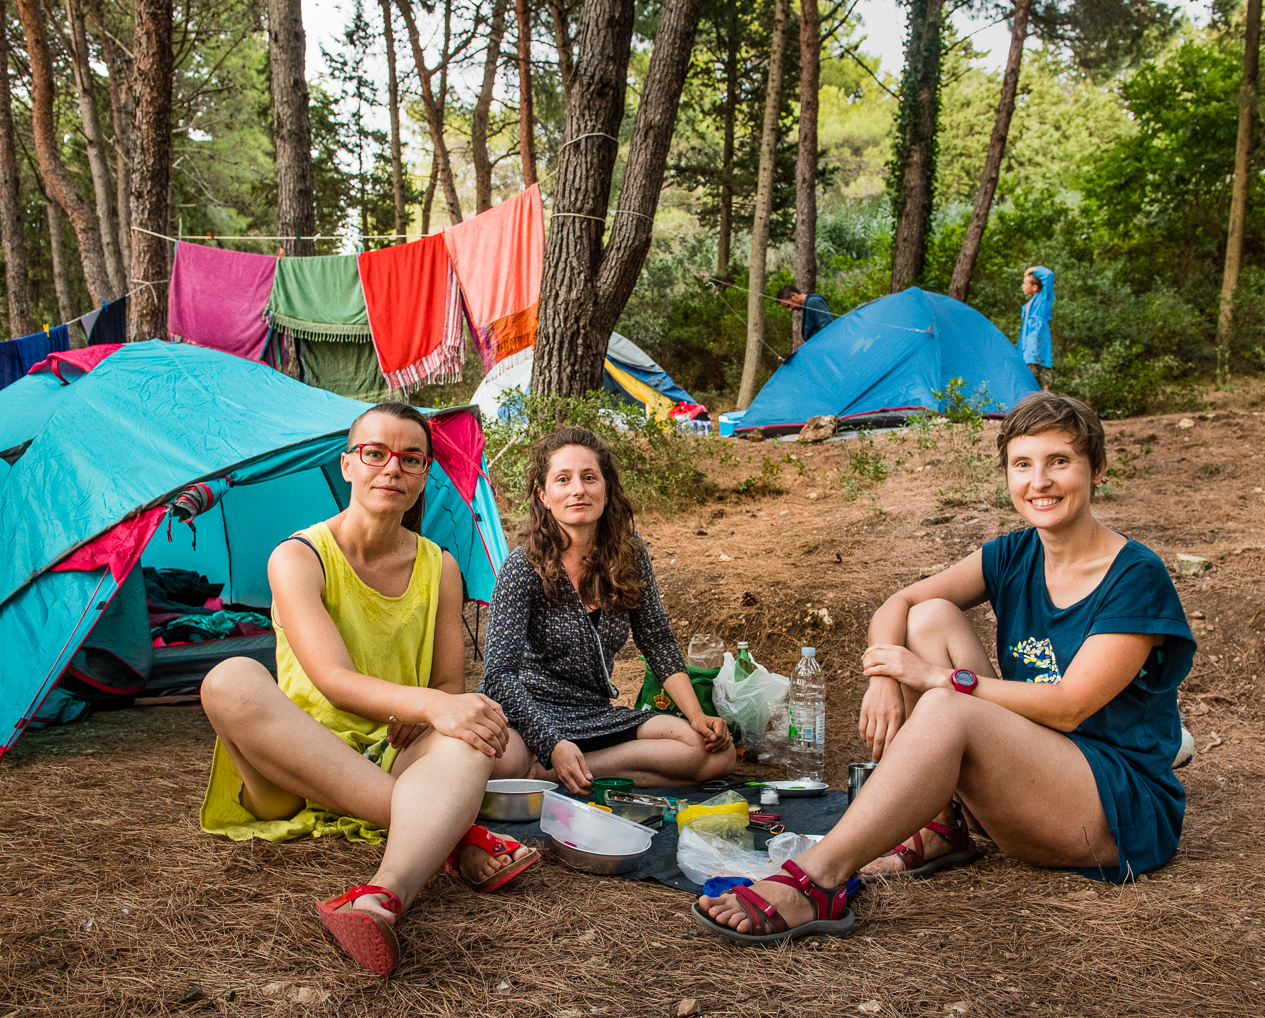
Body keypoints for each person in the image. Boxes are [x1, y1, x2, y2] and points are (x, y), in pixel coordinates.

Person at [693, 393, 1194, 945]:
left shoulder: (1135, 575)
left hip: (1116, 808)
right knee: (930, 616)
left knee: (948, 705)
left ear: (1096, 469)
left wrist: (941, 681)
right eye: (1023, 464)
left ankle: (818, 879)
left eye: (1060, 461)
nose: (1040, 482)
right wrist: (885, 675)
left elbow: (1071, 707)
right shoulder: (1013, 554)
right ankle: (943, 826)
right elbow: (900, 602)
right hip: (1035, 767)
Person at [199, 402, 539, 977]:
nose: (392, 469)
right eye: (375, 453)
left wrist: (434, 710)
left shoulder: (440, 567)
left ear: (425, 474)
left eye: (411, 459)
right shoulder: (298, 556)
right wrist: (430, 704)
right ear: (348, 464)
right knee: (228, 679)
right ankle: (451, 831)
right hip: (296, 758)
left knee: (481, 734)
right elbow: (333, 681)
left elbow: (447, 685)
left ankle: (383, 894)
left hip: (391, 750)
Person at [483, 427, 737, 793]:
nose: (578, 490)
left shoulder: (628, 553)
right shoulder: (523, 567)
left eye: (589, 478)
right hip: (528, 714)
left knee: (717, 754)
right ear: (545, 496)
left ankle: (550, 777)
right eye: (563, 479)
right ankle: (555, 764)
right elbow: (499, 676)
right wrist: (552, 744)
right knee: (499, 764)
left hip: (594, 714)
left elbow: (657, 641)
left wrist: (697, 715)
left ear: (606, 489)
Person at [1018, 266, 1055, 391]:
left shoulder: (1043, 299)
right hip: (1027, 353)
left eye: (1025, 283)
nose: (1023, 286)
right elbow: (1024, 333)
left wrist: (1032, 269)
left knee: (1043, 386)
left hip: (1039, 350)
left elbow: (1048, 275)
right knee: (1028, 385)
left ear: (1034, 287)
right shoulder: (1027, 307)